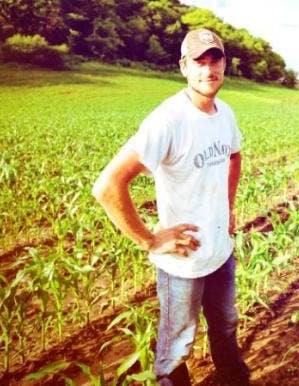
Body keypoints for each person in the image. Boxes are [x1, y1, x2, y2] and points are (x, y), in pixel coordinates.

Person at [92, 29, 250, 386]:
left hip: (220, 251)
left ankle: (231, 377)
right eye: (199, 62)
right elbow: (107, 186)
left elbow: (234, 156)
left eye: (215, 60)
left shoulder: (225, 113)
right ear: (184, 67)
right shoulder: (168, 121)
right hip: (183, 262)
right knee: (178, 343)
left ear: (225, 64)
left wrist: (228, 207)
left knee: (226, 324)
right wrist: (150, 240)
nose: (208, 70)